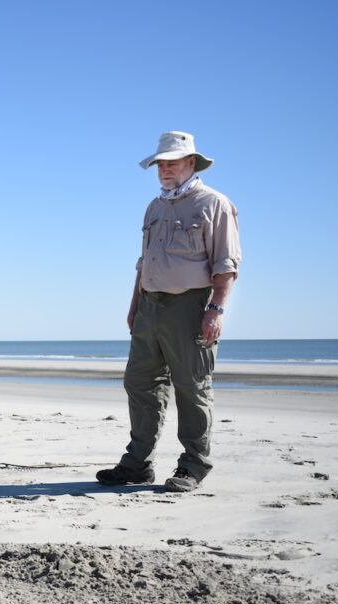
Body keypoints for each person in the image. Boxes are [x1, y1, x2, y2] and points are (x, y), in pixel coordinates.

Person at [97, 131, 242, 493]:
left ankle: (193, 465)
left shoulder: (214, 203)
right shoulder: (154, 207)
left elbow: (226, 264)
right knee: (139, 383)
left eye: (172, 163)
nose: (165, 170)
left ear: (191, 163)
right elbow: (144, 263)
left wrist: (216, 309)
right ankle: (137, 464)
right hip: (150, 307)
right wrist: (135, 307)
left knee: (191, 388)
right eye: (160, 164)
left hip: (190, 305)